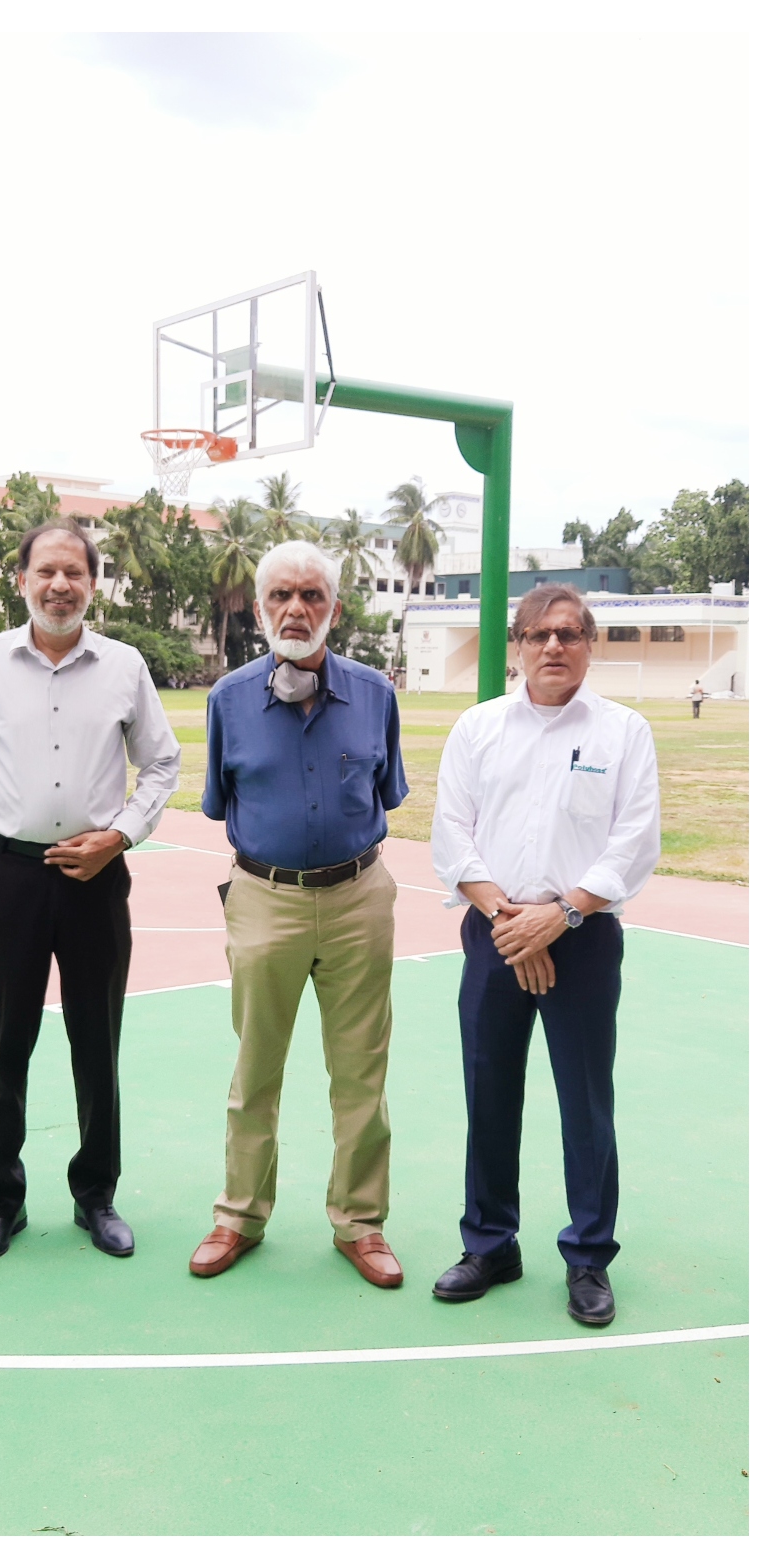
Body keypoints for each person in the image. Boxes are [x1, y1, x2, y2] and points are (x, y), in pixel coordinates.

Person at [0, 524, 180, 1266]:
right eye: (47, 572)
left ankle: (95, 1195)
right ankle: (1, 1202)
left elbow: (162, 765)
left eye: (74, 573)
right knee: (6, 1045)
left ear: (93, 584)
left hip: (95, 877)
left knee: (95, 1042)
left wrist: (122, 834)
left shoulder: (125, 666)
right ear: (22, 581)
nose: (60, 586)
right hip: (8, 873)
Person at [427, 583, 659, 1327]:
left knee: (585, 1101)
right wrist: (510, 920)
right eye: (538, 635)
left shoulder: (625, 733)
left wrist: (558, 916)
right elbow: (451, 835)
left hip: (583, 940)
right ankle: (491, 1243)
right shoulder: (478, 727)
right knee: (489, 1092)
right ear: (518, 647)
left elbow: (634, 841)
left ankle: (588, 1255)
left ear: (589, 644)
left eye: (568, 634)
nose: (553, 646)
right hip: (495, 932)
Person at [191, 540, 413, 1287]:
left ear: (335, 610)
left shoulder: (377, 696)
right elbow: (223, 805)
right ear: (258, 610)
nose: (296, 609)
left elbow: (387, 795)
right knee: (255, 1070)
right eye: (281, 596)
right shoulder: (227, 701)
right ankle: (239, 1216)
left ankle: (361, 1223)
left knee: (360, 1074)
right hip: (264, 899)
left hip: (359, 898)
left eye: (312, 596)